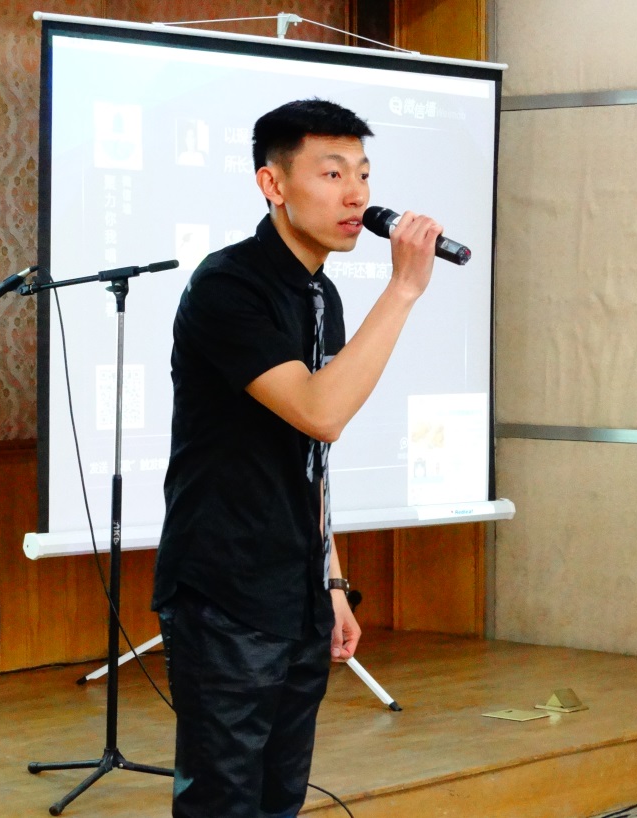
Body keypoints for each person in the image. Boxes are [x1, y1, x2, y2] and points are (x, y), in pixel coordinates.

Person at [151, 98, 443, 818]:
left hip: (297, 589)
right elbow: (322, 411)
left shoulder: (322, 295)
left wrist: (332, 580)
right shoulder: (228, 286)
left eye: (364, 174)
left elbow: (308, 456)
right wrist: (404, 289)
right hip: (226, 590)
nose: (357, 195)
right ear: (273, 184)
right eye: (333, 173)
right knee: (224, 801)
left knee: (280, 798)